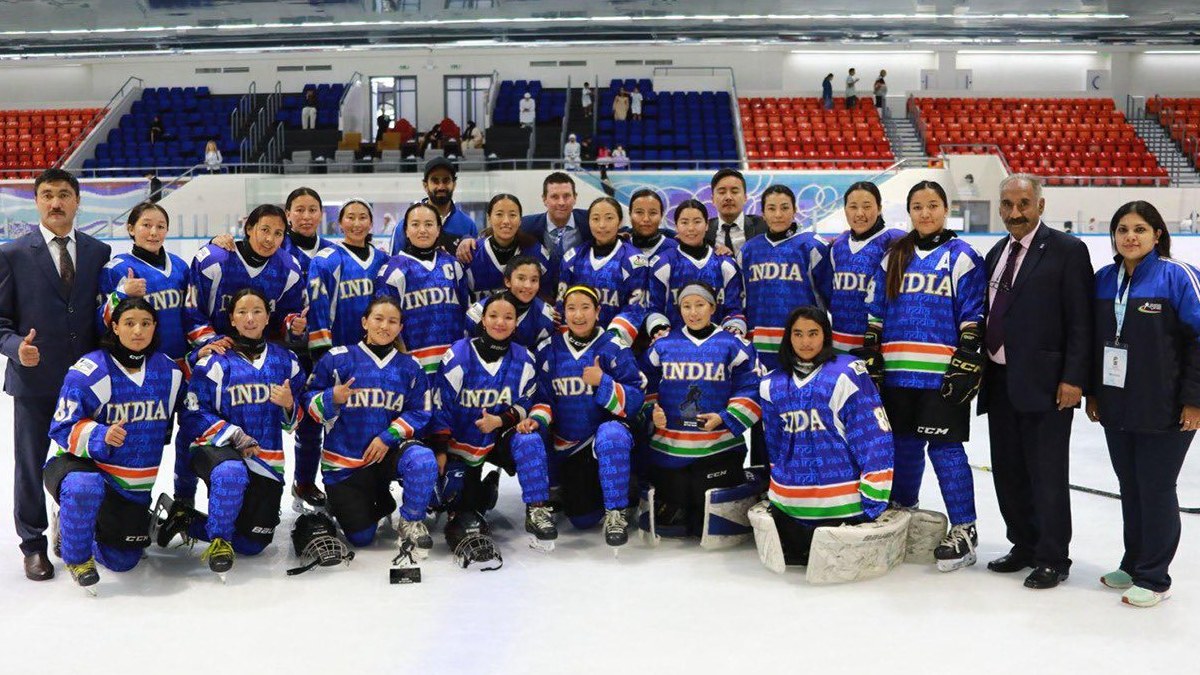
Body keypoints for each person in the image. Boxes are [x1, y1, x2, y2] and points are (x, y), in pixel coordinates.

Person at [861, 180, 986, 573]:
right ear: (909, 212)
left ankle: (965, 528)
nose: (925, 213)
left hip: (940, 376)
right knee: (903, 446)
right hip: (898, 373)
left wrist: (967, 359)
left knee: (946, 450)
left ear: (945, 209)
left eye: (933, 205)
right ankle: (903, 511)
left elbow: (973, 316)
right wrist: (872, 354)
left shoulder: (962, 256)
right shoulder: (894, 255)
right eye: (918, 206)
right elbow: (876, 313)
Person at [977, 174, 1093, 590]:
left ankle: (1052, 556)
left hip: (1047, 384)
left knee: (1046, 473)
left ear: (1040, 206)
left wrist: (1074, 378)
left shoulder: (1067, 251)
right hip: (1001, 379)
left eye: (1023, 203)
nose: (1015, 213)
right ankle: (1023, 544)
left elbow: (1082, 321)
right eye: (1007, 205)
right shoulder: (995, 252)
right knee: (1008, 471)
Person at [1085, 200, 1200, 608]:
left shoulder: (1177, 277)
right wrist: (1094, 393)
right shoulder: (1102, 280)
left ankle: (1154, 577)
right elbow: (1093, 342)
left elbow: (1198, 342)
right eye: (1122, 230)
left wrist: (1194, 401)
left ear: (1157, 234)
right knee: (1130, 487)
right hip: (1118, 404)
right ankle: (1133, 562)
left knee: (1155, 487)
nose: (1130, 237)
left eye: (1139, 229)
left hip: (1166, 407)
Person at [0, 168, 111, 581]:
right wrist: (16, 348)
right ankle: (33, 545)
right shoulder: (12, 254)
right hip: (34, 382)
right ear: (36, 202)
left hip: (87, 386)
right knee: (30, 466)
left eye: (64, 194)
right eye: (47, 195)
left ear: (77, 200)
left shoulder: (99, 252)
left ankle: (82, 528)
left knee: (88, 458)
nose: (56, 203)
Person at [45, 298, 183, 591]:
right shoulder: (90, 369)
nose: (138, 331)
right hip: (79, 464)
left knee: (124, 561)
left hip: (131, 485)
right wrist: (100, 435)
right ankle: (75, 551)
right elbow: (60, 427)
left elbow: (192, 413)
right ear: (115, 327)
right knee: (85, 487)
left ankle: (99, 527)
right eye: (129, 323)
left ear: (155, 328)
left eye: (145, 323)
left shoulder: (169, 372)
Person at [176, 287, 305, 575]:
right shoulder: (215, 360)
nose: (250, 318)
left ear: (268, 316)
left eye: (257, 311)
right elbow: (193, 414)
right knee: (230, 473)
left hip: (266, 461)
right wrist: (233, 434)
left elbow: (296, 421)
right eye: (242, 312)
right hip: (220, 452)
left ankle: (185, 521)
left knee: (253, 543)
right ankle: (220, 541)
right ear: (232, 320)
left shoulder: (287, 361)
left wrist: (289, 405)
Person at [758, 306, 894, 566]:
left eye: (813, 333)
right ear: (788, 337)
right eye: (797, 334)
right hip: (788, 505)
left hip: (843, 507)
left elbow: (874, 438)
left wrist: (874, 496)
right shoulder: (771, 382)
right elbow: (774, 445)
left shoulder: (847, 373)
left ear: (826, 335)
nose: (805, 341)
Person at [304, 296, 438, 556]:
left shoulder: (410, 366)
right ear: (365, 322)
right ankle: (370, 503)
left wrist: (388, 436)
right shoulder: (337, 359)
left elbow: (422, 411)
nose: (384, 326)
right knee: (362, 538)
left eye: (392, 321)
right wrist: (331, 398)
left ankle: (411, 520)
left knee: (422, 459)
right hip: (345, 464)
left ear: (400, 328)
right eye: (378, 319)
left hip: (387, 454)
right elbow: (307, 404)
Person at [523, 285, 645, 546]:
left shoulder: (614, 347)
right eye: (571, 308)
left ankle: (617, 512)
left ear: (598, 311)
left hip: (608, 441)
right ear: (563, 313)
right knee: (582, 518)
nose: (578, 315)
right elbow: (542, 398)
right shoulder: (549, 349)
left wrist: (603, 382)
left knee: (611, 433)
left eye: (585, 308)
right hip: (571, 449)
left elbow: (635, 401)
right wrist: (537, 419)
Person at [430, 293, 557, 544]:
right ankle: (484, 491)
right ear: (483, 320)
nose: (501, 322)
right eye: (494, 316)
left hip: (498, 440)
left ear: (516, 323)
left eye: (508, 317)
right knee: (458, 506)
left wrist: (501, 421)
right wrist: (440, 449)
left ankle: (537, 508)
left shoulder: (524, 359)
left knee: (529, 441)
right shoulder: (458, 355)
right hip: (460, 444)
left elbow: (528, 400)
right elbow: (440, 405)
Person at [643, 282, 761, 539]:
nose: (693, 312)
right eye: (686, 306)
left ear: (712, 307)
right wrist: (653, 410)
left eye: (700, 305)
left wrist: (725, 416)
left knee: (700, 518)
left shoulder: (734, 345)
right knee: (676, 519)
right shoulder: (663, 346)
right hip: (669, 450)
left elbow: (752, 387)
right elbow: (644, 383)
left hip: (718, 449)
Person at [185, 203, 308, 351]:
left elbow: (289, 315)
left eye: (278, 233)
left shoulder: (289, 269)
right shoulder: (213, 260)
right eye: (265, 230)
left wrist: (293, 324)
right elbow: (192, 312)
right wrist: (212, 342)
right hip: (215, 354)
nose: (270, 239)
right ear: (249, 228)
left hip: (262, 357)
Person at [739, 184, 832, 372]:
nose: (778, 215)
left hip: (803, 343)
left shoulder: (813, 245)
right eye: (771, 209)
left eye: (784, 207)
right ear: (763, 213)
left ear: (795, 210)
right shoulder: (749, 250)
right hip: (759, 343)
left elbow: (830, 296)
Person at [457, 172, 591, 296]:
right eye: (554, 196)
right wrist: (467, 239)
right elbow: (497, 232)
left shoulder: (590, 221)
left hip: (579, 294)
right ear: (544, 199)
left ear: (575, 198)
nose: (561, 202)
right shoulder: (527, 224)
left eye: (566, 196)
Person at [375, 202, 469, 375]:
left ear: (438, 229)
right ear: (406, 231)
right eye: (415, 224)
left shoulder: (453, 265)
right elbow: (386, 323)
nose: (422, 230)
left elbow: (464, 311)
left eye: (429, 224)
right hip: (413, 367)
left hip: (455, 364)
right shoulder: (392, 270)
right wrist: (404, 363)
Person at [557, 197, 650, 347]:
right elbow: (562, 305)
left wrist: (612, 343)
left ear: (619, 221)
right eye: (595, 218)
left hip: (616, 346)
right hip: (576, 342)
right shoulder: (572, 258)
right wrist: (572, 343)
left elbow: (635, 308)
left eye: (609, 218)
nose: (602, 225)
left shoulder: (634, 260)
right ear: (588, 222)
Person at [647, 200, 746, 339]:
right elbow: (654, 308)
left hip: (718, 349)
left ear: (706, 225)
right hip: (675, 348)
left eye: (697, 221)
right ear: (676, 227)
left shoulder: (725, 263)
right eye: (684, 222)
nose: (691, 228)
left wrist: (731, 334)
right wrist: (661, 331)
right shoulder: (663, 264)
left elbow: (735, 309)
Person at [828, 181, 906, 353]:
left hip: (881, 345)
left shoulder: (896, 241)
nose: (860, 213)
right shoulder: (838, 245)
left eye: (867, 206)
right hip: (839, 344)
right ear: (845, 210)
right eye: (853, 207)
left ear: (879, 208)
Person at [306, 199, 388, 355]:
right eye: (350, 217)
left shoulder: (383, 260)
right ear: (340, 223)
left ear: (371, 223)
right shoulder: (325, 260)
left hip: (379, 349)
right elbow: (318, 309)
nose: (356, 224)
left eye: (363, 217)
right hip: (340, 351)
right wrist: (321, 352)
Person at [462, 194, 549, 303]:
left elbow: (546, 295)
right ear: (489, 218)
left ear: (520, 220)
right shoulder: (471, 253)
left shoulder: (535, 252)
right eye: (499, 214)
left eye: (512, 215)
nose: (506, 221)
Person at [389, 157, 477, 254]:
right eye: (435, 181)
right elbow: (393, 264)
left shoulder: (468, 225)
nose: (441, 187)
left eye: (446, 180)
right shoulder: (404, 226)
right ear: (425, 185)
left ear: (454, 184)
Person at [465, 257, 556, 350]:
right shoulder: (478, 312)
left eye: (534, 280)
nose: (528, 286)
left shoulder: (547, 317)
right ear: (508, 281)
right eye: (521, 278)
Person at [706, 168, 767, 256]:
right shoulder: (704, 231)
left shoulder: (763, 226)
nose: (728, 197)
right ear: (713, 199)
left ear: (745, 197)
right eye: (722, 192)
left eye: (734, 192)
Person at [628, 188, 678, 263]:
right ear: (630, 215)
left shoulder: (676, 249)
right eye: (639, 212)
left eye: (653, 213)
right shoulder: (620, 247)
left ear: (661, 216)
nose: (646, 219)